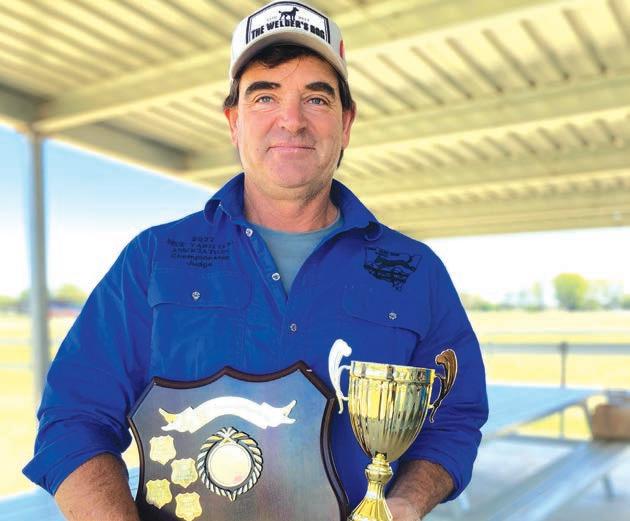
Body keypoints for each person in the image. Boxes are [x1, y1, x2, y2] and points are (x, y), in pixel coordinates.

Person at [24, 2, 488, 520]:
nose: (292, 120)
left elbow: (455, 418)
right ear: (234, 121)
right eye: (265, 96)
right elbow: (73, 420)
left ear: (346, 123)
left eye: (316, 98)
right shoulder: (153, 260)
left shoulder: (415, 271)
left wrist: (404, 501)